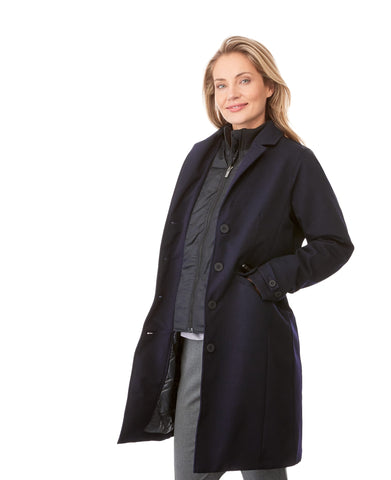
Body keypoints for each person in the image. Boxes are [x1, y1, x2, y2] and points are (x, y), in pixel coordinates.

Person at [118, 36, 354, 480]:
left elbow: (334, 243)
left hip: (252, 343)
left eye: (244, 80)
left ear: (268, 86)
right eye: (220, 84)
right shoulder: (199, 157)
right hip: (191, 343)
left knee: (263, 471)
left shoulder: (293, 161)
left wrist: (268, 280)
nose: (231, 94)